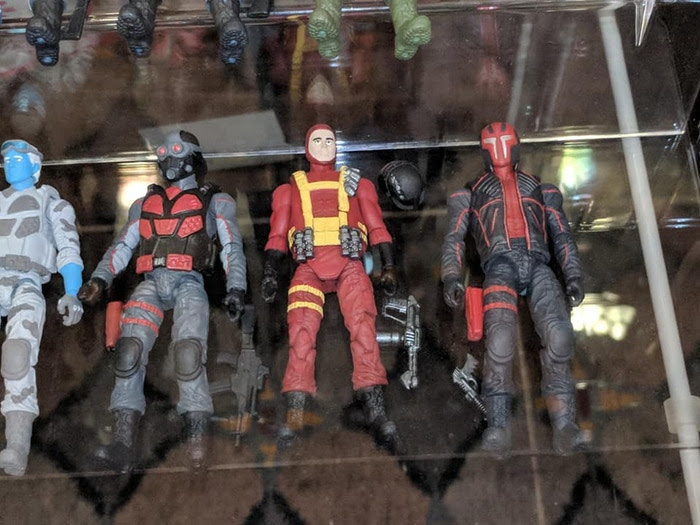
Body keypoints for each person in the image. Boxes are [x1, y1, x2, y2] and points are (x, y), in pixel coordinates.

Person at [79, 130, 247, 471]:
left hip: (189, 283)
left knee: (188, 355)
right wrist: (99, 278)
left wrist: (237, 288)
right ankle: (123, 441)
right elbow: (122, 246)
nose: (170, 159)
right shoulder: (143, 204)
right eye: (164, 153)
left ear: (193, 158)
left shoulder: (215, 201)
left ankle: (198, 438)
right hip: (150, 282)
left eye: (177, 151)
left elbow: (231, 248)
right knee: (128, 353)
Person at [441, 122, 587, 456]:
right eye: (493, 143)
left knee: (560, 336)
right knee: (500, 340)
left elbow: (562, 234)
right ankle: (498, 426)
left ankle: (565, 424)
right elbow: (454, 237)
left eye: (506, 142)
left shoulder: (540, 188)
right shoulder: (471, 193)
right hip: (499, 267)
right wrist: (451, 276)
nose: (501, 149)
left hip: (538, 264)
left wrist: (573, 275)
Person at [261, 124, 400, 449]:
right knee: (301, 335)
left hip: (350, 264)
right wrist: (270, 272)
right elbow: (277, 235)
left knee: (364, 330)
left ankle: (376, 410)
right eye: (317, 140)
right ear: (307, 147)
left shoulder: (357, 184)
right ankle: (294, 416)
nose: (324, 145)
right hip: (308, 267)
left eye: (329, 140)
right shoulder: (289, 190)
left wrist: (388, 266)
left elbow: (376, 226)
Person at [0, 139, 84, 475]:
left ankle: (17, 443)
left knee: (17, 354)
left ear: (35, 165)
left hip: (27, 282)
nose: (10, 162)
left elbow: (68, 247)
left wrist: (72, 292)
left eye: (18, 158)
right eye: (7, 158)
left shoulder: (51, 202)